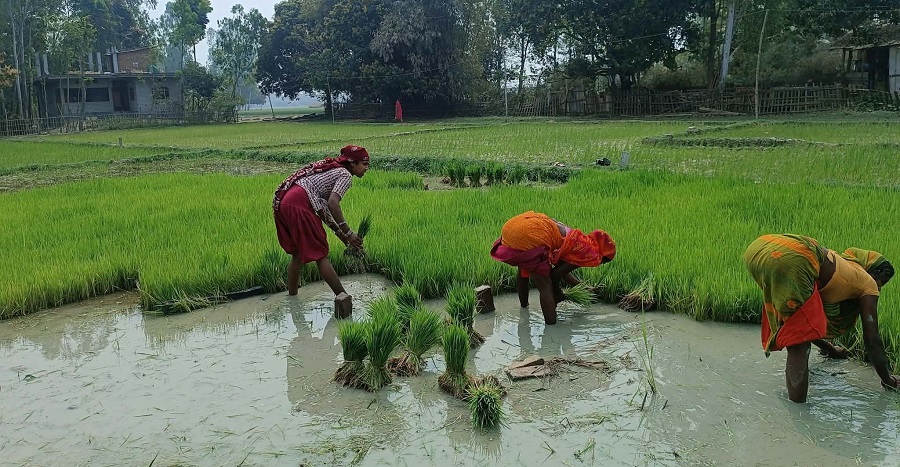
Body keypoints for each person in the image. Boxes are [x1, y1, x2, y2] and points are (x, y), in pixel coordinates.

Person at [743, 234, 899, 403]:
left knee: (797, 325)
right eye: (881, 282)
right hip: (796, 257)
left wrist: (830, 349)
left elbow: (809, 321)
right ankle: (798, 416)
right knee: (799, 344)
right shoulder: (867, 283)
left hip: (758, 250)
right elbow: (872, 339)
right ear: (873, 272)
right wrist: (888, 380)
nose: (879, 289)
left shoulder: (840, 266)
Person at [272, 145, 371, 305]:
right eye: (364, 164)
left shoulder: (331, 169)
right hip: (299, 204)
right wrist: (348, 231)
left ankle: (292, 299)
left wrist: (344, 238)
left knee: (297, 254)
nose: (367, 169)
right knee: (321, 254)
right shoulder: (344, 174)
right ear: (352, 163)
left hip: (285, 203)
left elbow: (323, 210)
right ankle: (344, 298)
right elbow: (333, 203)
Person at [490, 211, 616, 325]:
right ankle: (551, 328)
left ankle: (524, 307)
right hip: (529, 234)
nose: (599, 264)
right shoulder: (588, 253)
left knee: (525, 266)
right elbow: (555, 275)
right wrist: (558, 293)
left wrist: (583, 287)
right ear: (601, 256)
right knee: (545, 285)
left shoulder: (577, 239)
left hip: (512, 228)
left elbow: (562, 271)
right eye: (603, 262)